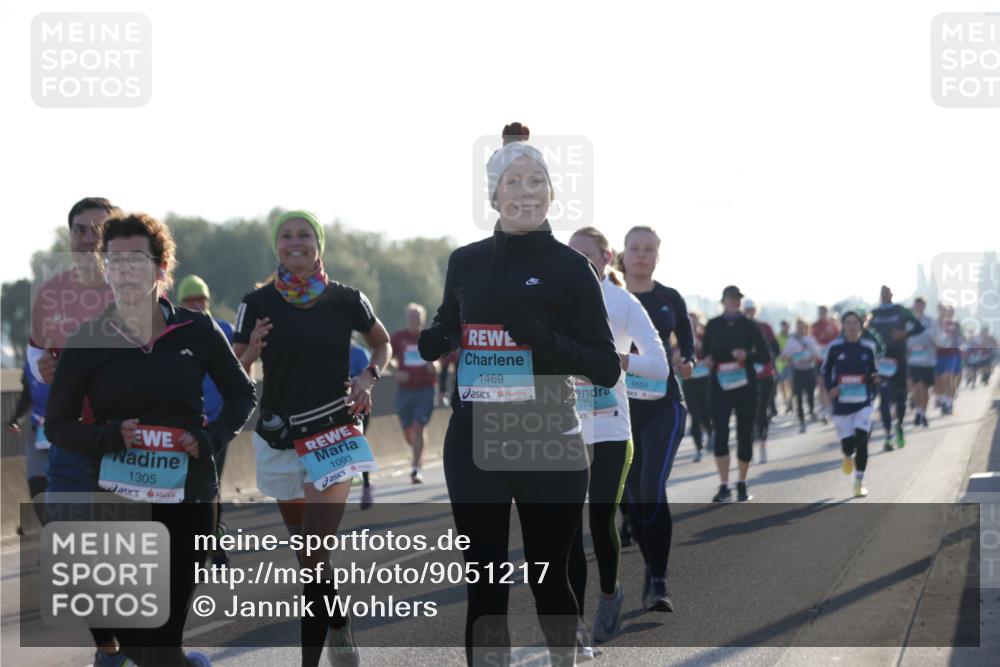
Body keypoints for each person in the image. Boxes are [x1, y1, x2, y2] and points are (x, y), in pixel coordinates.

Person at [418, 123, 620, 667]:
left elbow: (605, 368)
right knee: (484, 586)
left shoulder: (571, 268)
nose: (526, 190)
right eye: (513, 180)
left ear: (552, 193)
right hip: (475, 437)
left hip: (548, 436)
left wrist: (545, 340)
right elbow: (449, 320)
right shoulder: (466, 261)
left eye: (537, 180)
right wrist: (437, 338)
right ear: (494, 194)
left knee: (551, 580)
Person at [45, 211, 256, 667]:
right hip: (119, 501)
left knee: (159, 641)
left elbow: (243, 395)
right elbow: (56, 425)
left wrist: (211, 436)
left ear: (161, 268)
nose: (124, 270)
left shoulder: (197, 330)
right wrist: (107, 436)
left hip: (190, 496)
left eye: (136, 259)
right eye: (115, 261)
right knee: (141, 648)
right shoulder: (88, 339)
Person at [233, 209, 391, 667]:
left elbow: (382, 342)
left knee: (312, 549)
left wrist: (368, 376)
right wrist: (252, 352)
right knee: (312, 561)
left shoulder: (346, 299)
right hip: (280, 435)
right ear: (276, 245)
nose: (295, 242)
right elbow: (232, 371)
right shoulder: (256, 303)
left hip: (334, 431)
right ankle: (339, 621)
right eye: (286, 236)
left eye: (304, 235)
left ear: (319, 244)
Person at [567, 227, 667, 647]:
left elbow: (659, 366)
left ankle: (609, 593)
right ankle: (572, 624)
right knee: (567, 527)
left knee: (599, 517)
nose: (578, 264)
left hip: (609, 424)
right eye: (570, 257)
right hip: (564, 425)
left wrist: (617, 361)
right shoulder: (556, 299)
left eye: (586, 256)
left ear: (607, 257)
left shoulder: (623, 304)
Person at [618, 225, 694, 612]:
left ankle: (658, 580)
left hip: (664, 403)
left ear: (657, 256)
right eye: (635, 249)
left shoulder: (668, 297)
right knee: (631, 499)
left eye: (649, 249)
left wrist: (689, 359)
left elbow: (686, 333)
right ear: (623, 253)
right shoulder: (609, 297)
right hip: (619, 406)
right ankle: (651, 565)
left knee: (651, 486)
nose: (642, 255)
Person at [31, 198, 118, 495]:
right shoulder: (49, 292)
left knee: (125, 536)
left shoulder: (137, 288)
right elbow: (35, 352)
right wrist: (42, 369)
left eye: (98, 230)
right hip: (70, 437)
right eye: (79, 231)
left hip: (128, 437)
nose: (88, 239)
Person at [176, 274, 236, 567]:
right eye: (190, 300)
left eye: (201, 299)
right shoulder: (174, 331)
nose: (197, 304)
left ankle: (215, 541)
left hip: (216, 425)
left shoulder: (223, 330)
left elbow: (242, 367)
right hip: (184, 425)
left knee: (212, 485)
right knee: (185, 489)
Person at [702, 286, 771, 503]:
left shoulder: (749, 325)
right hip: (720, 386)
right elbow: (705, 351)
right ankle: (724, 485)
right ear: (723, 301)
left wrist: (747, 355)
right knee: (720, 432)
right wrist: (707, 359)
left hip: (745, 386)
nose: (734, 302)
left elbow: (765, 355)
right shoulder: (713, 325)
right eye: (731, 299)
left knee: (744, 434)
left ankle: (741, 482)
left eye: (737, 299)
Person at [822, 311, 879, 498]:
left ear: (861, 326)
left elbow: (873, 371)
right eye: (848, 323)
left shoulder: (868, 347)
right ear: (843, 326)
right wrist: (831, 387)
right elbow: (825, 369)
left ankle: (859, 482)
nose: (852, 326)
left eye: (855, 323)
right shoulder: (835, 347)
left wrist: (875, 378)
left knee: (862, 441)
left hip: (863, 402)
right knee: (848, 445)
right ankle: (847, 456)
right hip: (841, 404)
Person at [867, 286, 924, 450]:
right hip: (882, 361)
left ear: (892, 294)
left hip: (900, 359)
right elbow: (864, 330)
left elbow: (919, 327)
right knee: (884, 398)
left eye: (888, 292)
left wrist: (904, 334)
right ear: (880, 295)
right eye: (882, 292)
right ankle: (888, 435)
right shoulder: (875, 313)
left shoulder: (901, 311)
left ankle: (899, 425)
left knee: (901, 398)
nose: (885, 294)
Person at [390, 303, 438, 484]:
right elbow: (386, 357)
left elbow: (441, 361)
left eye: (418, 316)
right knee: (408, 431)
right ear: (407, 318)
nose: (415, 319)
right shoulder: (399, 338)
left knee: (419, 428)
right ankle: (418, 453)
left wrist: (435, 366)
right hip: (405, 391)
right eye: (412, 316)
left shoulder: (430, 336)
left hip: (425, 389)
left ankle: (416, 468)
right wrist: (395, 372)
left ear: (423, 319)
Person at [6, 361, 51, 521]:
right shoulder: (31, 362)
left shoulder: (78, 356)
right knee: (37, 488)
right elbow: (27, 395)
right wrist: (16, 419)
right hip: (38, 434)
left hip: (70, 433)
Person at [742, 300, 779, 464]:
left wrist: (765, 357)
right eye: (747, 309)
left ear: (756, 310)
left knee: (762, 409)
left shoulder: (765, 327)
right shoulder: (739, 327)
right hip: (746, 376)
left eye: (752, 309)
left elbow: (775, 348)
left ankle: (763, 444)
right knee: (748, 411)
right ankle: (749, 447)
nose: (750, 312)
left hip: (765, 374)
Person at [781, 319, 823, 434]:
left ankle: (811, 410)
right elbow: (784, 356)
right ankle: (801, 420)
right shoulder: (791, 341)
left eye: (803, 326)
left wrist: (810, 358)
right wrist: (792, 358)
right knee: (797, 396)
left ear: (806, 327)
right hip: (797, 371)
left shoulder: (810, 339)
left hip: (809, 370)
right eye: (798, 326)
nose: (800, 328)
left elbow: (817, 355)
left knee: (810, 394)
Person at [349, 341, 376, 509]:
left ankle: (366, 485)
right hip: (331, 408)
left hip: (358, 406)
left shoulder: (359, 353)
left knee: (358, 445)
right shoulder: (324, 348)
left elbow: (368, 381)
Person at [683, 312, 713, 463]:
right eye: (688, 321)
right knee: (694, 414)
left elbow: (711, 355)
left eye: (693, 321)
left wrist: (703, 350)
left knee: (705, 411)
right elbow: (675, 357)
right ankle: (698, 448)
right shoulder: (681, 337)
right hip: (689, 379)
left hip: (704, 378)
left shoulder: (704, 337)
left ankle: (710, 433)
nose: (690, 323)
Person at [906, 297, 936, 427]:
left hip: (927, 360)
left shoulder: (930, 321)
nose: (918, 307)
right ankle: (918, 411)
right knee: (916, 387)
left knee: (924, 388)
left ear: (924, 306)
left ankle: (923, 412)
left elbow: (936, 339)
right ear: (914, 306)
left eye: (921, 305)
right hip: (912, 360)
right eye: (916, 304)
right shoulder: (908, 322)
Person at [811, 306, 840, 422]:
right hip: (819, 361)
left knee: (830, 385)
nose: (823, 314)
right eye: (821, 312)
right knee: (821, 386)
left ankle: (831, 407)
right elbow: (811, 342)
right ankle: (824, 410)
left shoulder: (833, 325)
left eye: (825, 312)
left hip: (831, 361)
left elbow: (838, 339)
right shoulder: (814, 326)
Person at [932, 304, 962, 415]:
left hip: (950, 354)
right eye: (940, 310)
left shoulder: (952, 323)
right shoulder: (933, 323)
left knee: (947, 378)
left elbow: (953, 337)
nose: (942, 312)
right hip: (937, 355)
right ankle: (944, 399)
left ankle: (948, 403)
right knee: (938, 381)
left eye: (944, 310)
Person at [776, 320, 793, 413]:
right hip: (780, 364)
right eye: (783, 327)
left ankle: (790, 402)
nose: (785, 328)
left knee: (790, 384)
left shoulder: (792, 337)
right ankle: (786, 401)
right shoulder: (778, 338)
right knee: (782, 385)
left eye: (786, 326)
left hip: (790, 364)